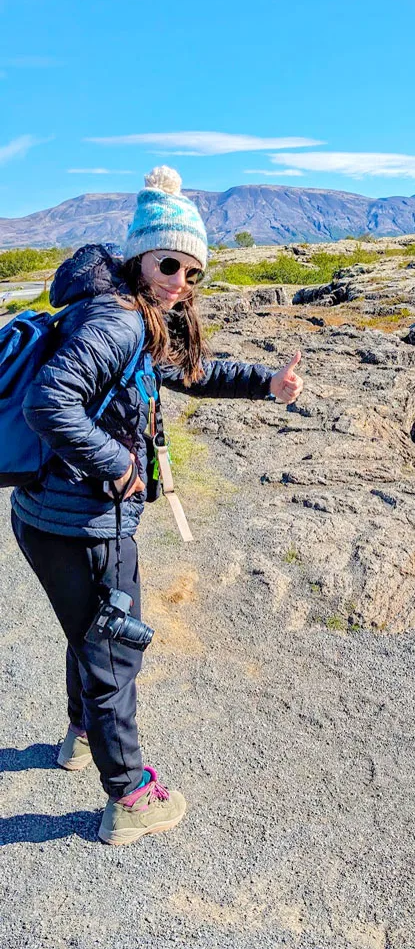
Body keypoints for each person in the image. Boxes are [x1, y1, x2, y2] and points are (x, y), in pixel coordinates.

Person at [10, 166, 304, 846]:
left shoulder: (127, 312)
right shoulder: (115, 322)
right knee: (114, 652)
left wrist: (267, 382)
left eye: (192, 271)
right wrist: (116, 463)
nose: (179, 281)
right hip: (82, 522)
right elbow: (48, 401)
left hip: (48, 515)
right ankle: (131, 797)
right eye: (169, 263)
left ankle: (80, 736)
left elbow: (187, 374)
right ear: (141, 253)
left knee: (90, 634)